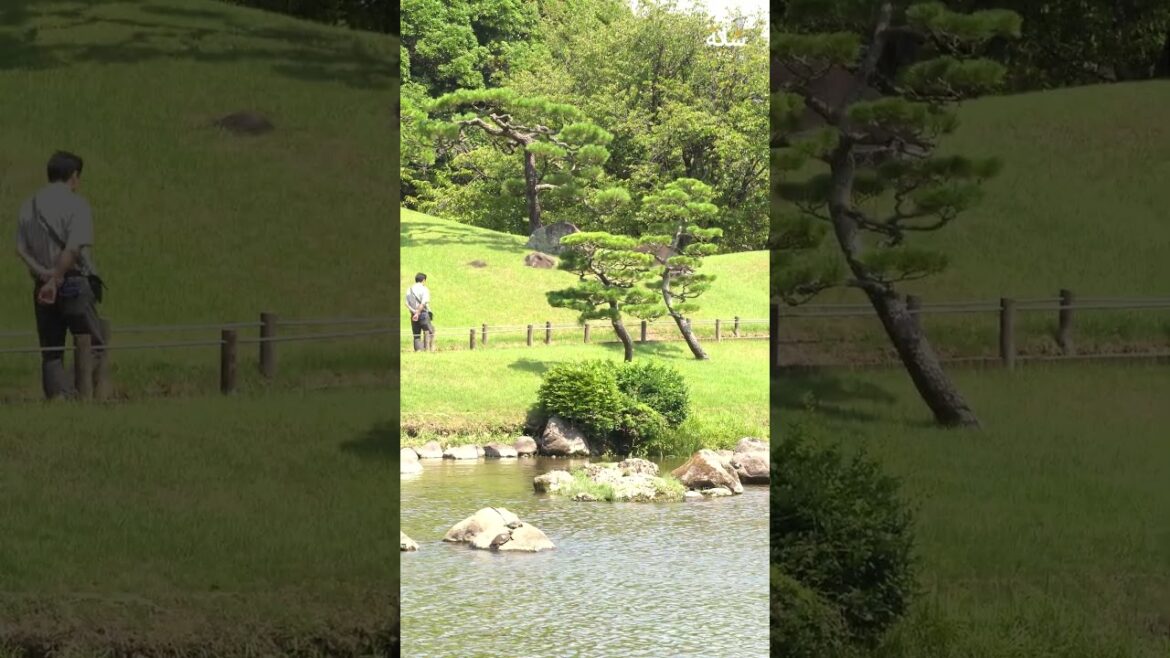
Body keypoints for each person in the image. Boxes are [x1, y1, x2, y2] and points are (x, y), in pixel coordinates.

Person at [14, 151, 106, 399]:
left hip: (42, 285)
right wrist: (56, 278)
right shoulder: (77, 204)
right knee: (92, 343)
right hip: (72, 282)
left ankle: (59, 400)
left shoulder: (28, 205)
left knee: (51, 351)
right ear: (74, 176)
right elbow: (73, 249)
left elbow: (20, 249)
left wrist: (44, 274)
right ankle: (78, 394)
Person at [405, 272, 434, 352]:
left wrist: (414, 312)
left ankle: (419, 351)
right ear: (423, 280)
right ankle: (428, 350)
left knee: (416, 335)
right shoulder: (424, 289)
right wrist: (417, 313)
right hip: (423, 314)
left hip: (413, 314)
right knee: (429, 332)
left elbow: (406, 304)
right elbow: (423, 303)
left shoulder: (409, 289)